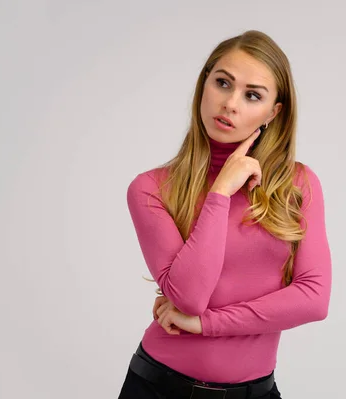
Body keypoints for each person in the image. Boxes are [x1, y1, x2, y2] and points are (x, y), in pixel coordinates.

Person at [118, 30, 332, 399]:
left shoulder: (298, 185)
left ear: (274, 111)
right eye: (222, 83)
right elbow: (188, 297)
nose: (230, 103)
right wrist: (219, 193)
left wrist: (206, 325)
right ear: (204, 86)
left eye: (252, 95)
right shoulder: (151, 188)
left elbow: (314, 298)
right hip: (159, 388)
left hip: (257, 392)